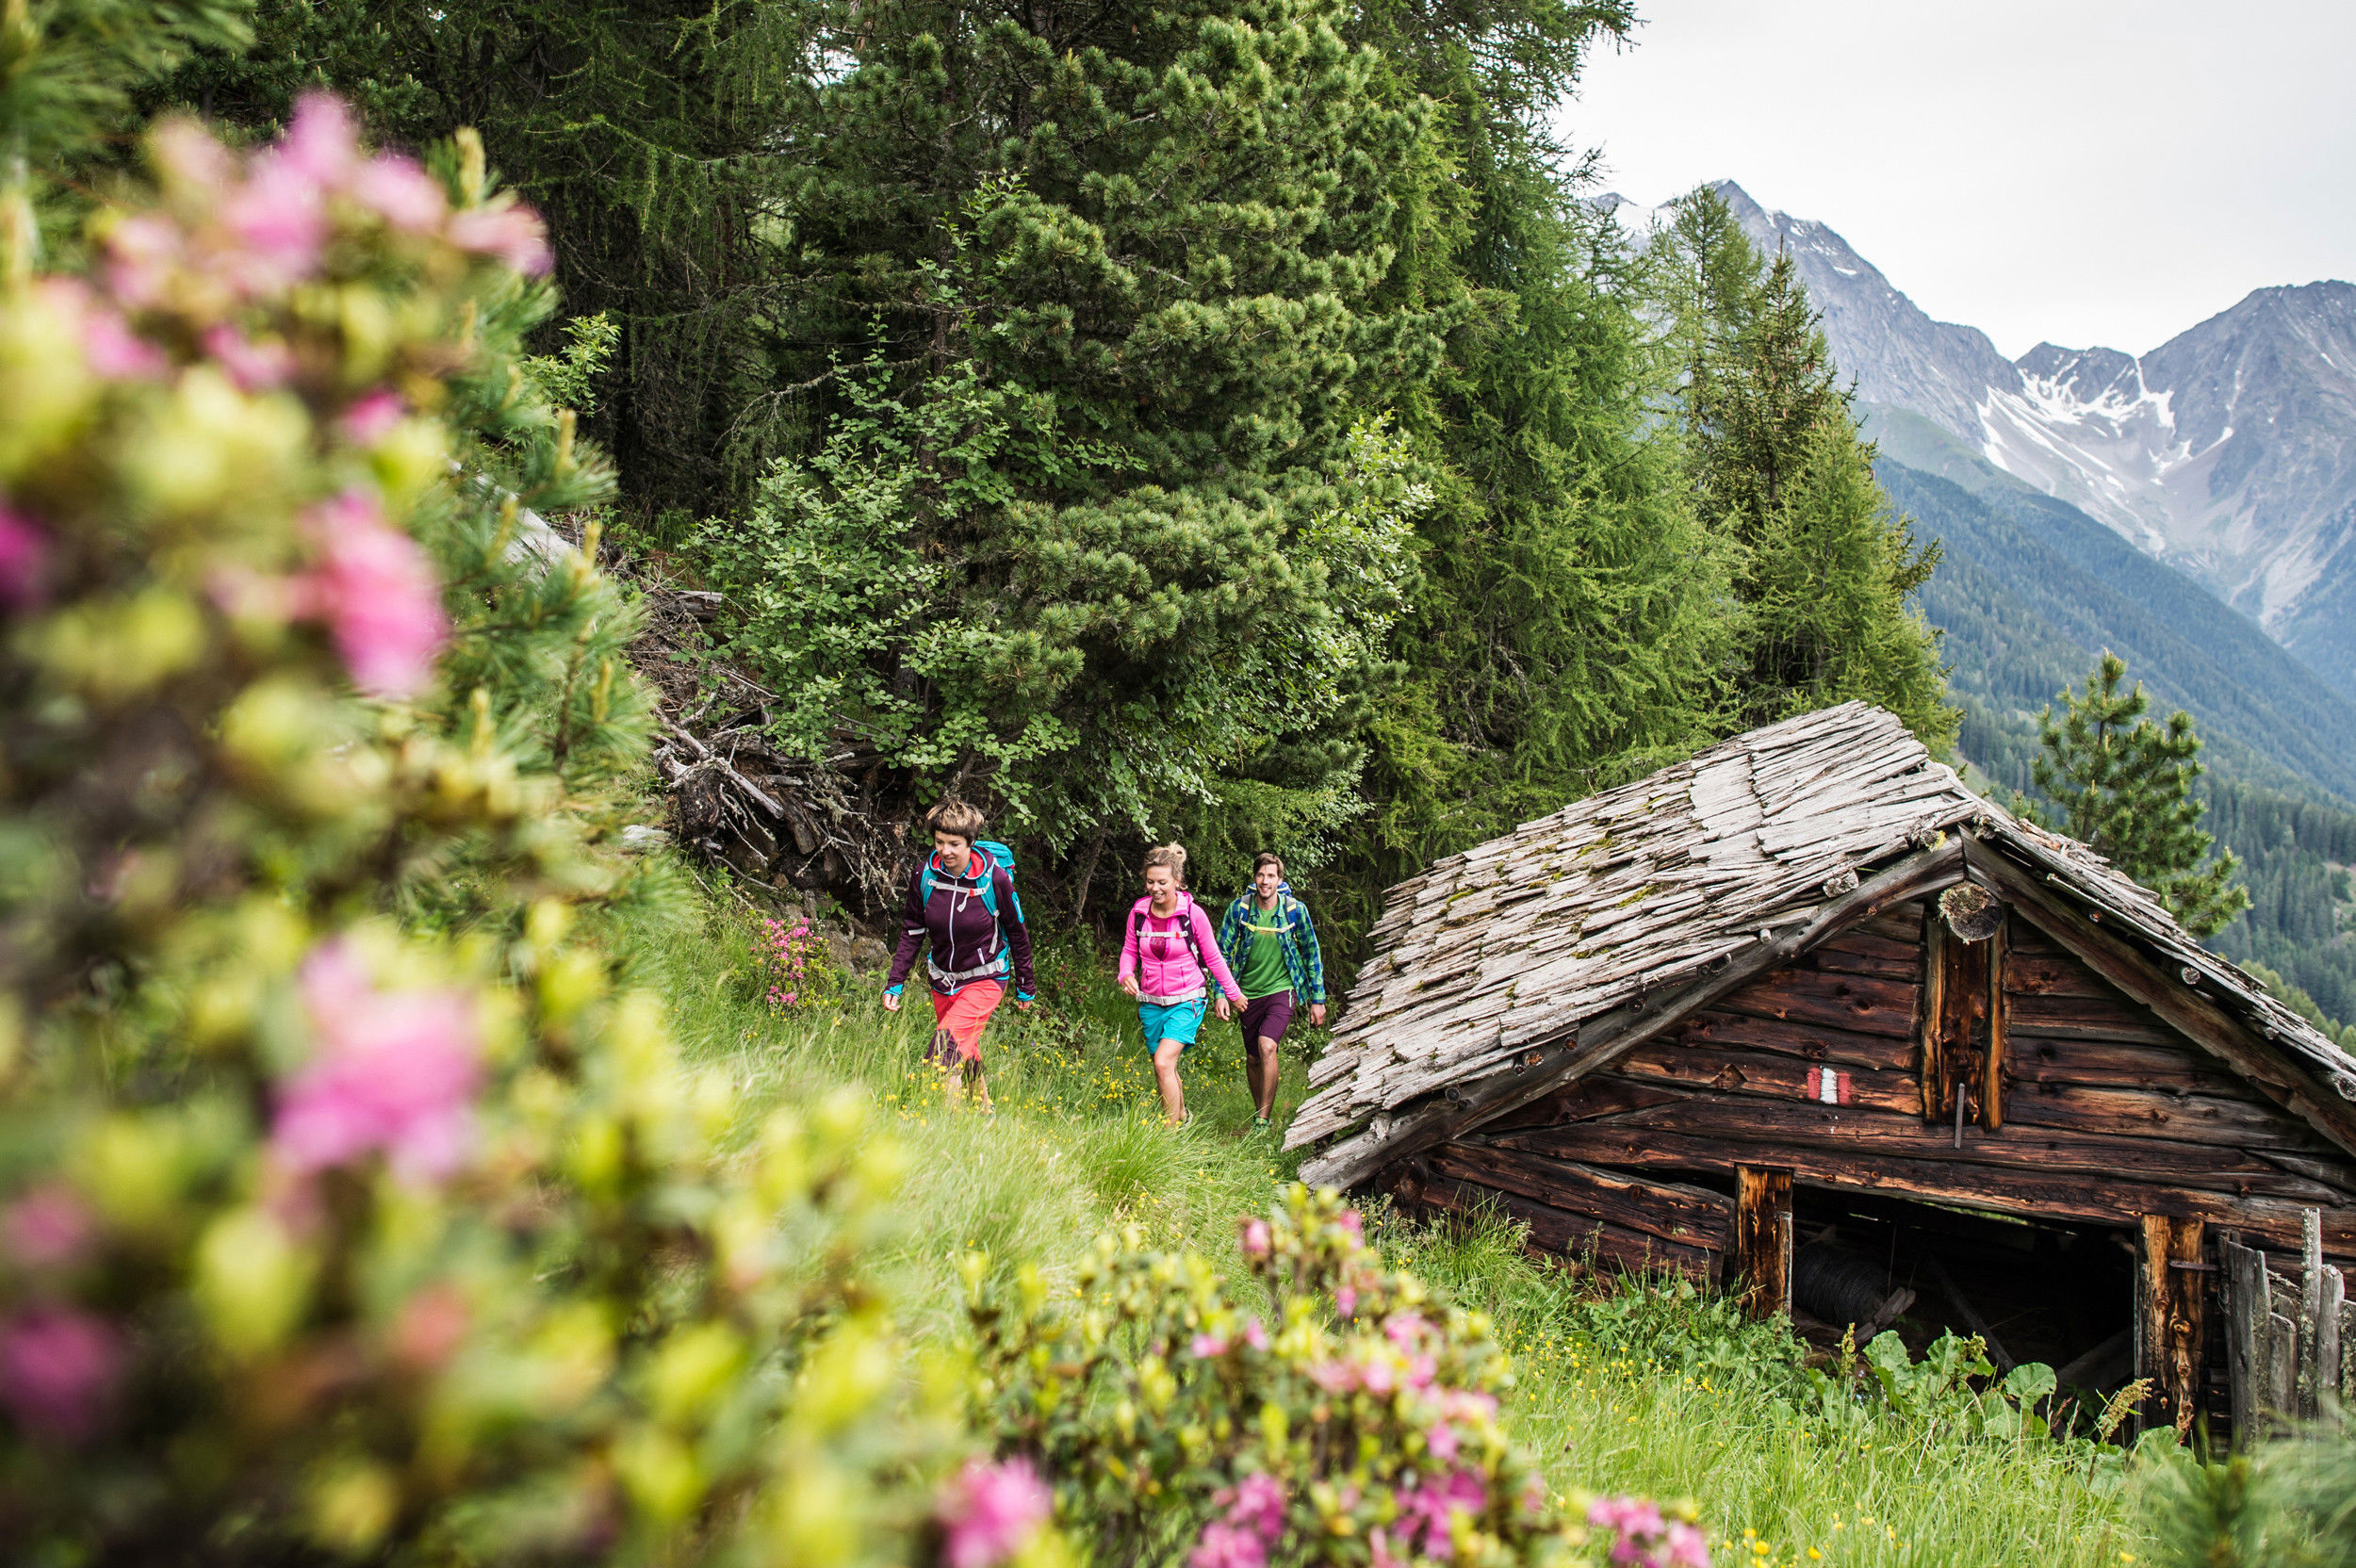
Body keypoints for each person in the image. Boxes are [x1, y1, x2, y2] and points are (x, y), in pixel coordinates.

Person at [883, 799, 1034, 1111]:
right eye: (940, 842)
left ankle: (948, 1127)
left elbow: (1017, 932)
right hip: (942, 980)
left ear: (970, 842)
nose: (945, 850)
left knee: (943, 1053)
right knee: (965, 1046)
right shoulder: (925, 875)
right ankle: (985, 1111)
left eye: (954, 844)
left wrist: (1025, 985)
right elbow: (912, 931)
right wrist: (895, 982)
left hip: (986, 978)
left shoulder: (994, 879)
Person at [1117, 843, 1243, 1126]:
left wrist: (1233, 994)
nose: (1155, 888)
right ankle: (1182, 1117)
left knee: (1163, 1062)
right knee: (1164, 1067)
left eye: (1162, 882)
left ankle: (1169, 1134)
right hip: (1151, 1003)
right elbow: (1129, 950)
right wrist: (1126, 974)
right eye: (1150, 882)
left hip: (1188, 1000)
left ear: (1177, 881)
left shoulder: (1193, 915)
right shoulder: (1138, 913)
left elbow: (1214, 958)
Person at [1217, 852, 1328, 1133]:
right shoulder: (1240, 909)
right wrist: (1221, 993)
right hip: (1246, 993)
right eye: (1260, 875)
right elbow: (1221, 953)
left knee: (1267, 1045)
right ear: (1254, 878)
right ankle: (1259, 1111)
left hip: (1282, 989)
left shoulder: (1294, 910)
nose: (1265, 881)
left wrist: (1317, 999)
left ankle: (1263, 1120)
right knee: (1253, 1057)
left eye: (1271, 876)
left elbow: (1311, 952)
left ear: (1280, 880)